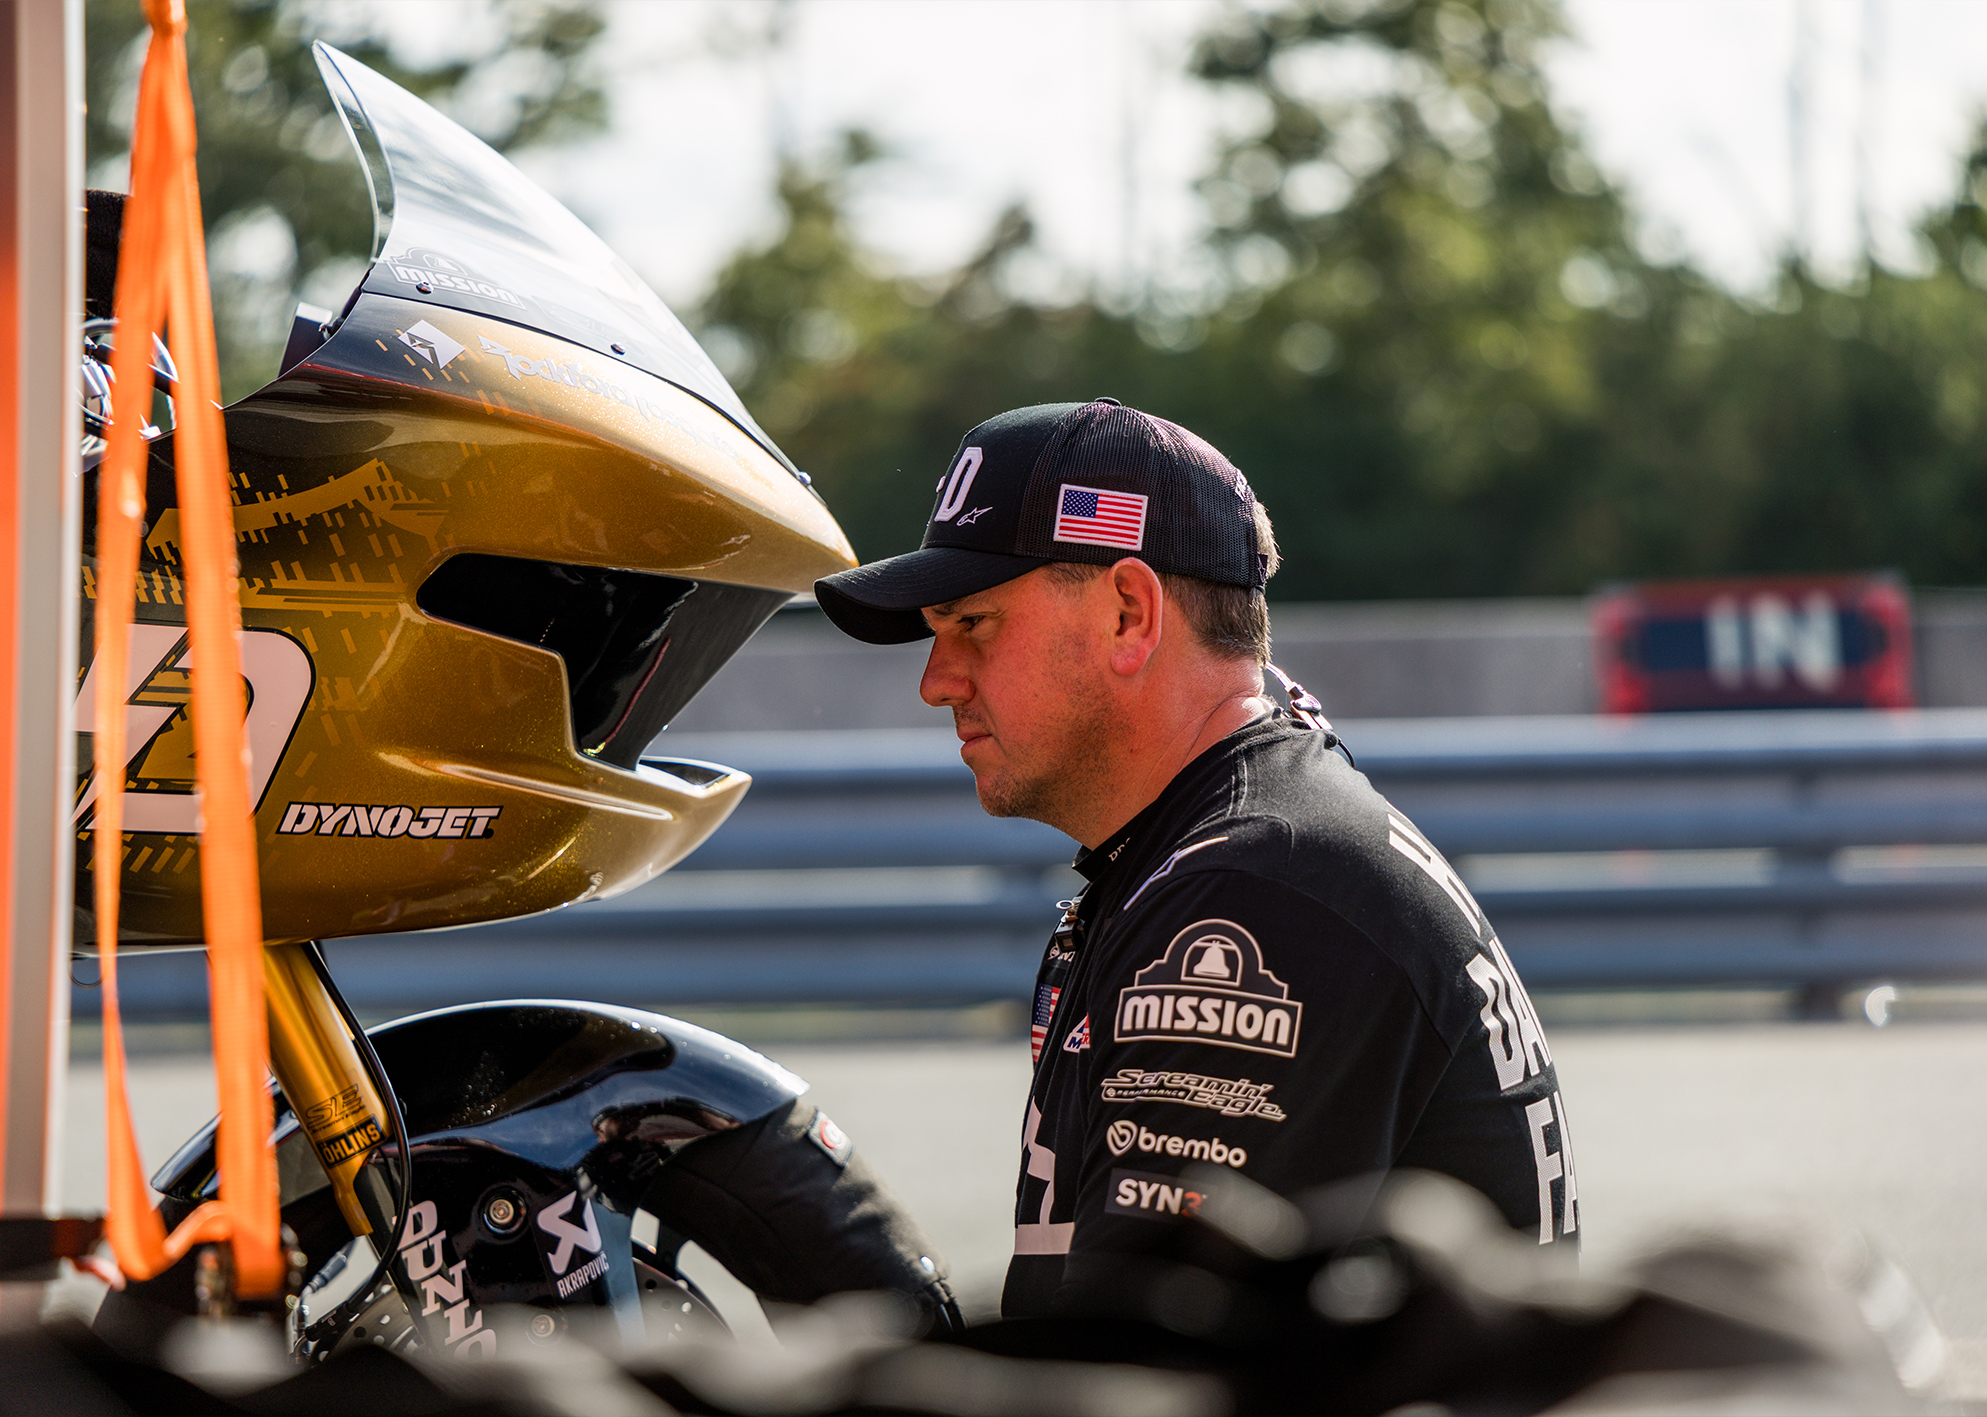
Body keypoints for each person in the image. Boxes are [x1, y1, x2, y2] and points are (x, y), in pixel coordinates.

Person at [813, 399, 1577, 1318]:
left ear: (1130, 613)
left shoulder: (1253, 891)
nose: (936, 681)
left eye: (971, 622)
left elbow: (1133, 1367)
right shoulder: (1236, 843)